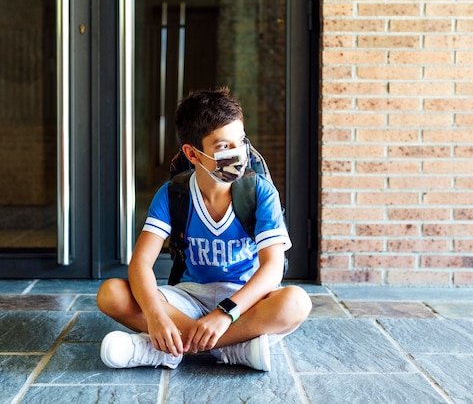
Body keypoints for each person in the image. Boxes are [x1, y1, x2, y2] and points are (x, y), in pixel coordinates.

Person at [97, 88, 312, 371]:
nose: (237, 154)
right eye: (223, 147)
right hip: (188, 297)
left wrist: (226, 314)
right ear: (192, 153)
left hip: (243, 301)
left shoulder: (260, 192)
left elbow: (272, 268)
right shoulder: (173, 194)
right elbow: (140, 264)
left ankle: (162, 349)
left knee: (295, 302)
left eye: (241, 141)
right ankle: (236, 348)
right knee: (111, 293)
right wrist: (156, 316)